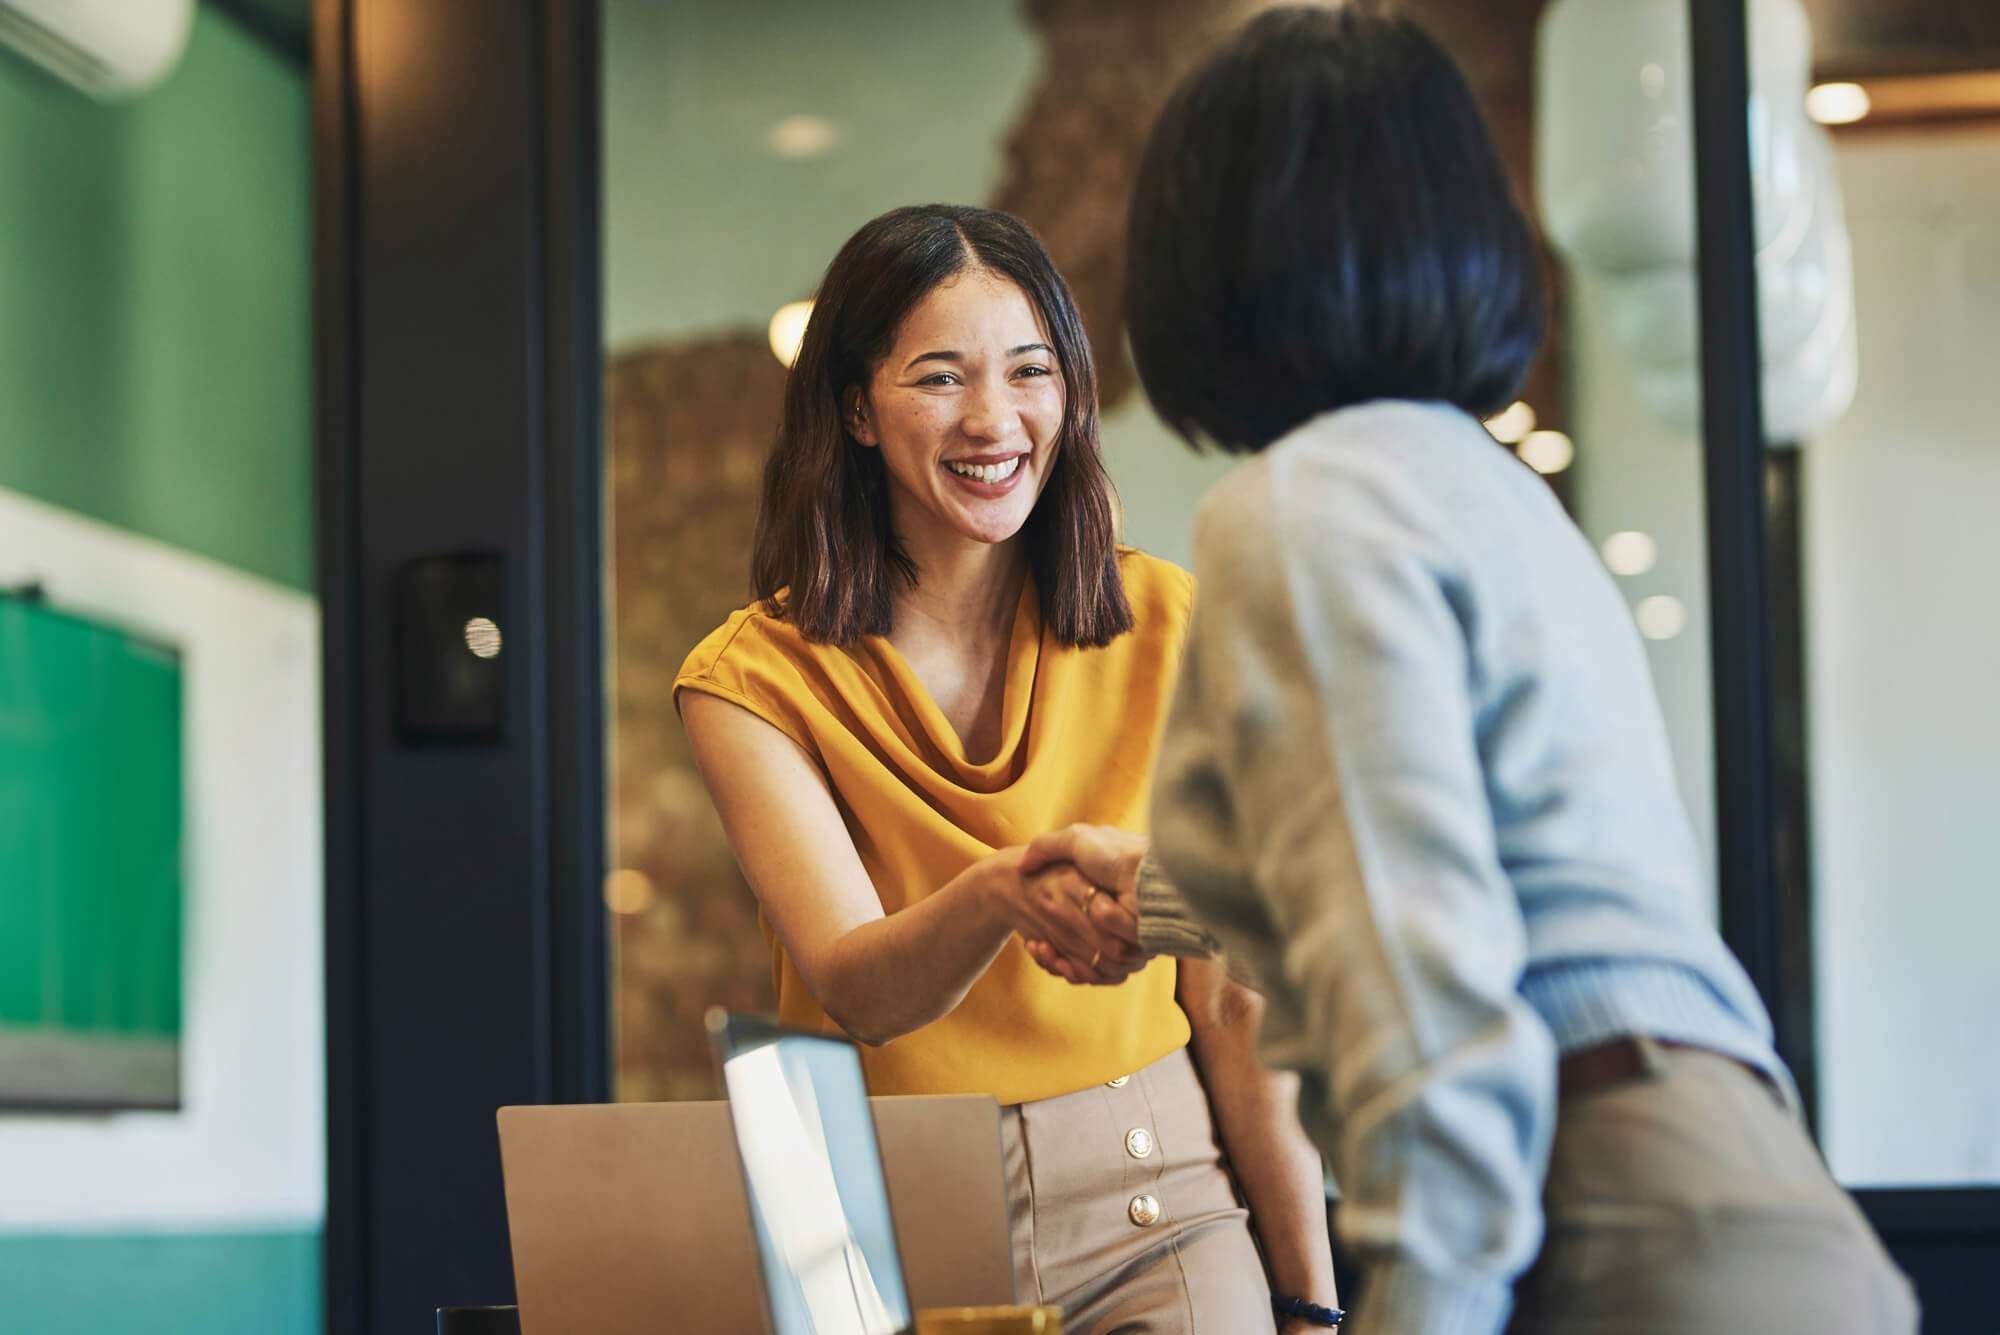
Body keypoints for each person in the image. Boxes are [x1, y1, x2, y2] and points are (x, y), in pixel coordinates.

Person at [1021, 8, 1919, 1334]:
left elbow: (1430, 1029)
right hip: (1734, 1189)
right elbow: (1491, 868)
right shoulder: (1483, 491)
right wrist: (1153, 897)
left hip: (1607, 1211)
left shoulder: (1304, 510)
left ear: (1211, 250)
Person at [673, 203, 1340, 1334]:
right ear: (855, 412)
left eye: (1029, 371)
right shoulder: (749, 681)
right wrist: (999, 890)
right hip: (878, 1236)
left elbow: (1231, 1000)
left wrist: (1311, 1304)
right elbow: (856, 989)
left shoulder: (1171, 623)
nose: (993, 420)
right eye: (938, 378)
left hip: (1159, 1203)